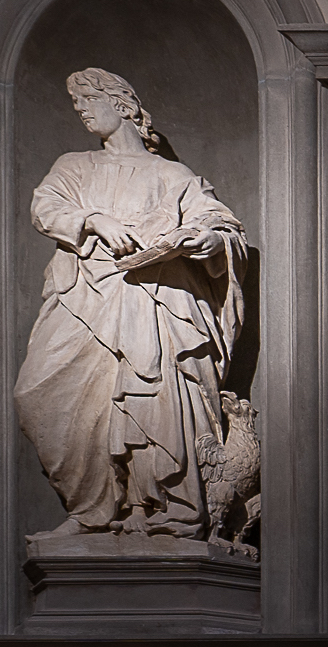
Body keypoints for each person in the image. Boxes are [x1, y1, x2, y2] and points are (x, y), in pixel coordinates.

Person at [13, 67, 248, 538]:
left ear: (121, 105)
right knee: (36, 392)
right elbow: (46, 207)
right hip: (85, 297)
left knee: (153, 395)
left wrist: (205, 239)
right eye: (76, 104)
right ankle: (91, 509)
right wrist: (95, 219)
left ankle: (157, 508)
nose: (80, 110)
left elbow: (223, 226)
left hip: (156, 302)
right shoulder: (74, 166)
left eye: (87, 101)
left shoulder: (174, 176)